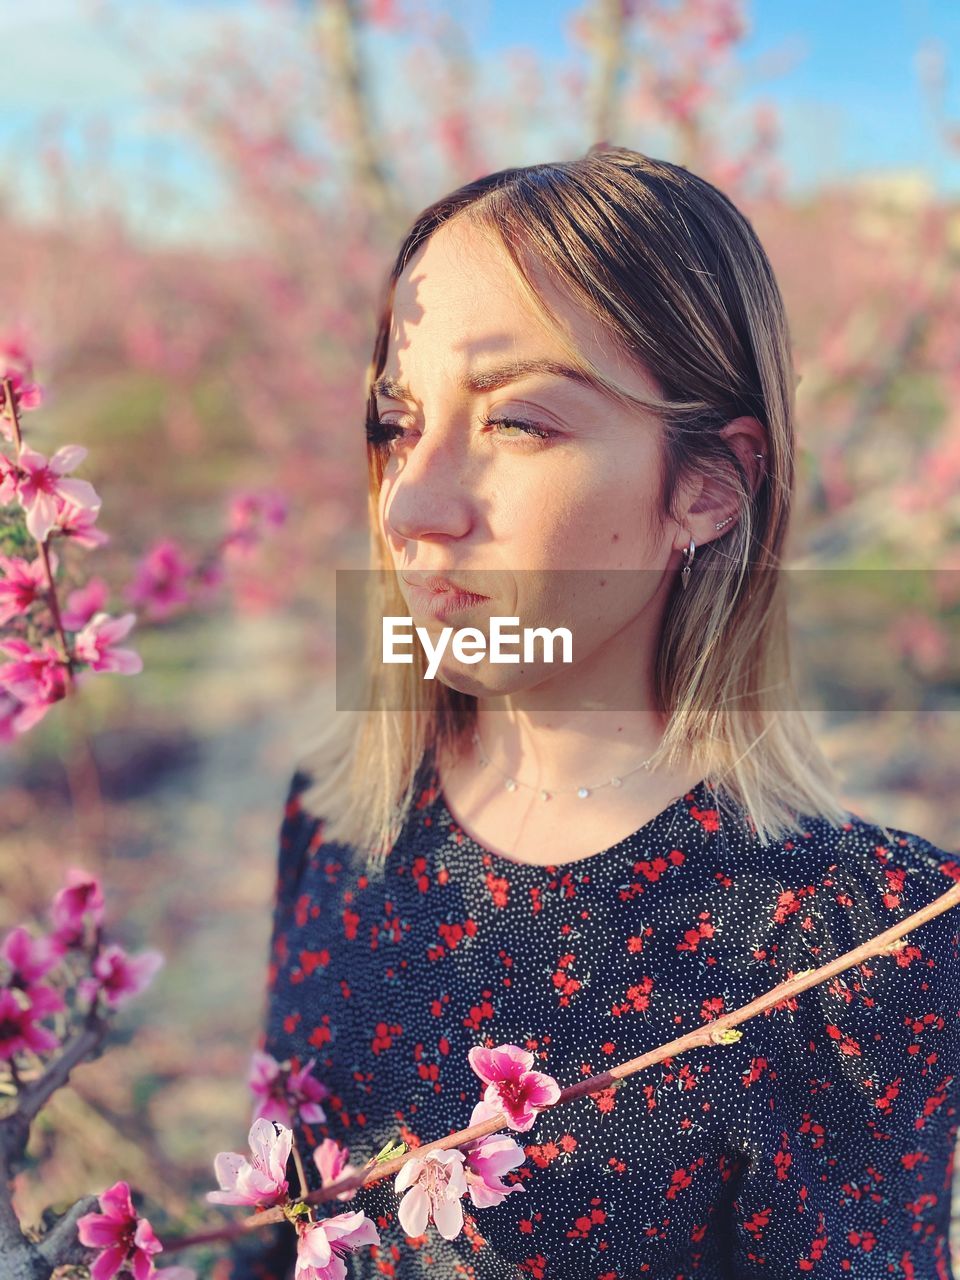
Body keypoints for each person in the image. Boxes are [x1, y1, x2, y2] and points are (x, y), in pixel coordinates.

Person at [223, 147, 960, 1279]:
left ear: (707, 484)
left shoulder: (861, 940)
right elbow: (275, 1244)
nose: (414, 503)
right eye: (396, 424)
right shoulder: (336, 822)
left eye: (519, 423)